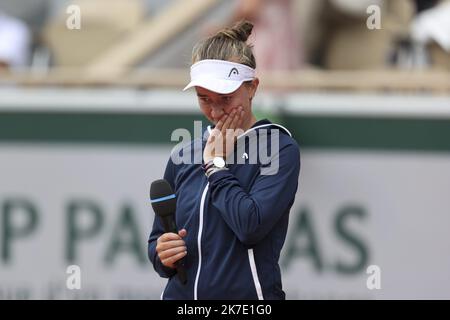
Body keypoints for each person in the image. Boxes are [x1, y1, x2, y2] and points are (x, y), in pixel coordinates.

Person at [147, 20, 301, 300]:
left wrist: (215, 166)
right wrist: (162, 254)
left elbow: (250, 227)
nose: (216, 111)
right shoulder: (184, 154)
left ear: (252, 87)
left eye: (226, 98)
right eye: (204, 98)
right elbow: (159, 237)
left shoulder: (280, 148)